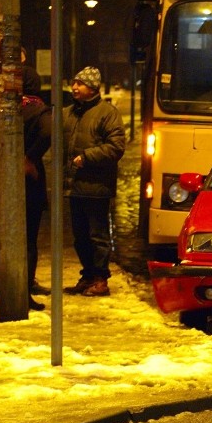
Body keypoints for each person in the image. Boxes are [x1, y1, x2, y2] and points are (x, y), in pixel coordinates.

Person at [0, 55, 52, 310]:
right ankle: (23, 291)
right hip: (30, 183)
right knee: (27, 240)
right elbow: (50, 132)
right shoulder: (39, 108)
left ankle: (3, 287)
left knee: (4, 237)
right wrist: (30, 157)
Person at [62, 66, 126, 297]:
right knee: (80, 236)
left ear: (93, 88)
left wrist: (87, 157)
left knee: (97, 235)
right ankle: (88, 275)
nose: (74, 87)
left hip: (96, 186)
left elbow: (116, 147)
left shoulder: (107, 113)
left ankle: (100, 278)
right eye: (74, 83)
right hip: (74, 185)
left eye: (80, 84)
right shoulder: (68, 113)